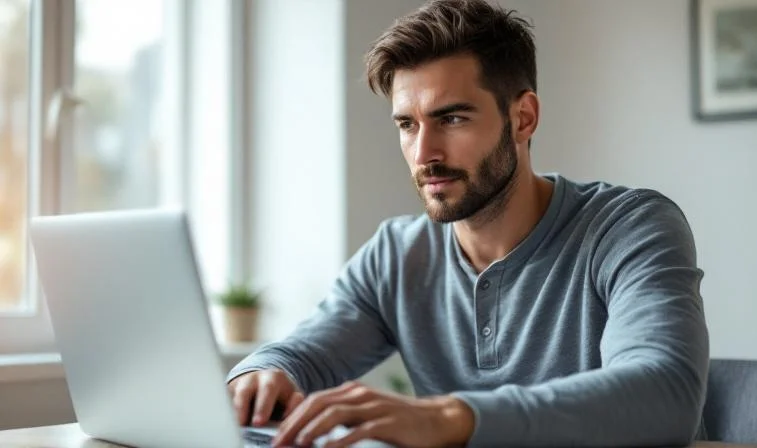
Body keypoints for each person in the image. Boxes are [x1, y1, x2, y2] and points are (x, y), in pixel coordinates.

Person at [226, 0, 710, 446]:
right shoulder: (397, 253)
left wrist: (451, 418)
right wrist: (262, 375)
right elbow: (301, 355)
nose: (424, 154)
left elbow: (664, 393)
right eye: (407, 124)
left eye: (452, 119)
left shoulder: (630, 227)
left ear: (523, 118)